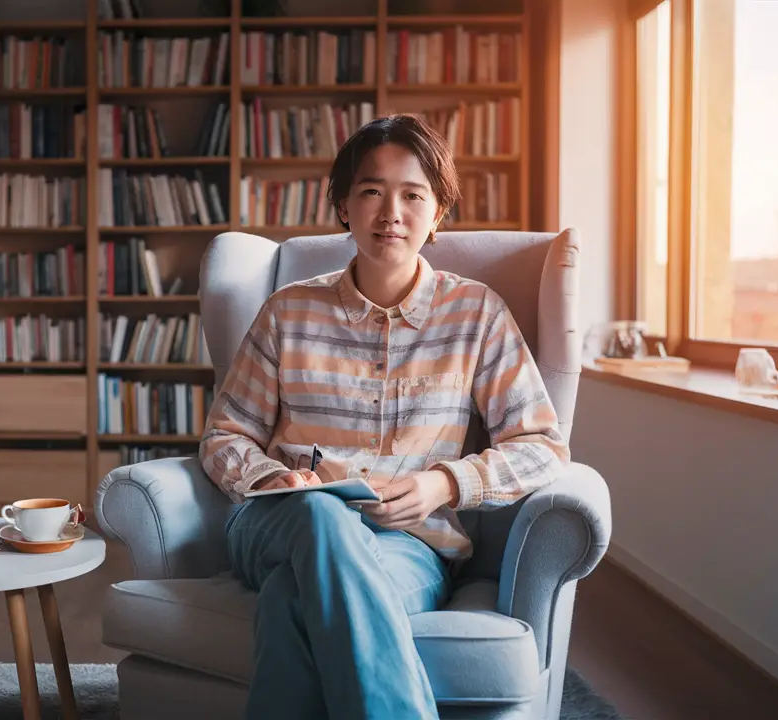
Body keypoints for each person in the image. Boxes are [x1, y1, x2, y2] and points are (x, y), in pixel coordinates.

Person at [197, 113, 571, 720]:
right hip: (278, 524)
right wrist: (273, 480)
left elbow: (542, 447)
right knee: (318, 510)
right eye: (370, 190)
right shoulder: (287, 311)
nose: (389, 211)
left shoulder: (477, 314)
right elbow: (226, 434)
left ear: (438, 211)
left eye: (412, 194)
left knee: (293, 601)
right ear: (343, 204)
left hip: (407, 543)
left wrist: (444, 483)